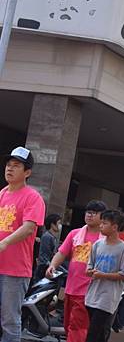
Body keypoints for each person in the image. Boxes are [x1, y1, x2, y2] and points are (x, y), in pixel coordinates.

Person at [0, 146, 46, 342]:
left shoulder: (33, 197)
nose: (9, 169)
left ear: (27, 172)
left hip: (15, 270)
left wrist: (4, 243)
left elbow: (28, 228)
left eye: (16, 166)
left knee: (9, 320)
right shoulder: (2, 193)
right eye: (8, 165)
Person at [47, 200, 107, 342]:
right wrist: (52, 266)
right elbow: (61, 253)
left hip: (89, 291)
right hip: (70, 288)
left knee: (77, 327)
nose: (89, 215)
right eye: (88, 212)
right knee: (68, 326)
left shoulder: (106, 239)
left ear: (102, 217)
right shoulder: (75, 234)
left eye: (94, 213)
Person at [84, 210, 124, 342]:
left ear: (115, 227)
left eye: (104, 223)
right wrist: (90, 271)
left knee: (94, 333)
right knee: (98, 334)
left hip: (108, 298)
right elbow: (90, 265)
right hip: (92, 294)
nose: (101, 226)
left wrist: (103, 275)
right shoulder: (98, 244)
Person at [35, 213, 62, 281]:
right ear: (52, 225)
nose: (60, 226)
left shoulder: (52, 237)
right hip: (44, 270)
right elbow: (44, 257)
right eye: (59, 223)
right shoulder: (47, 237)